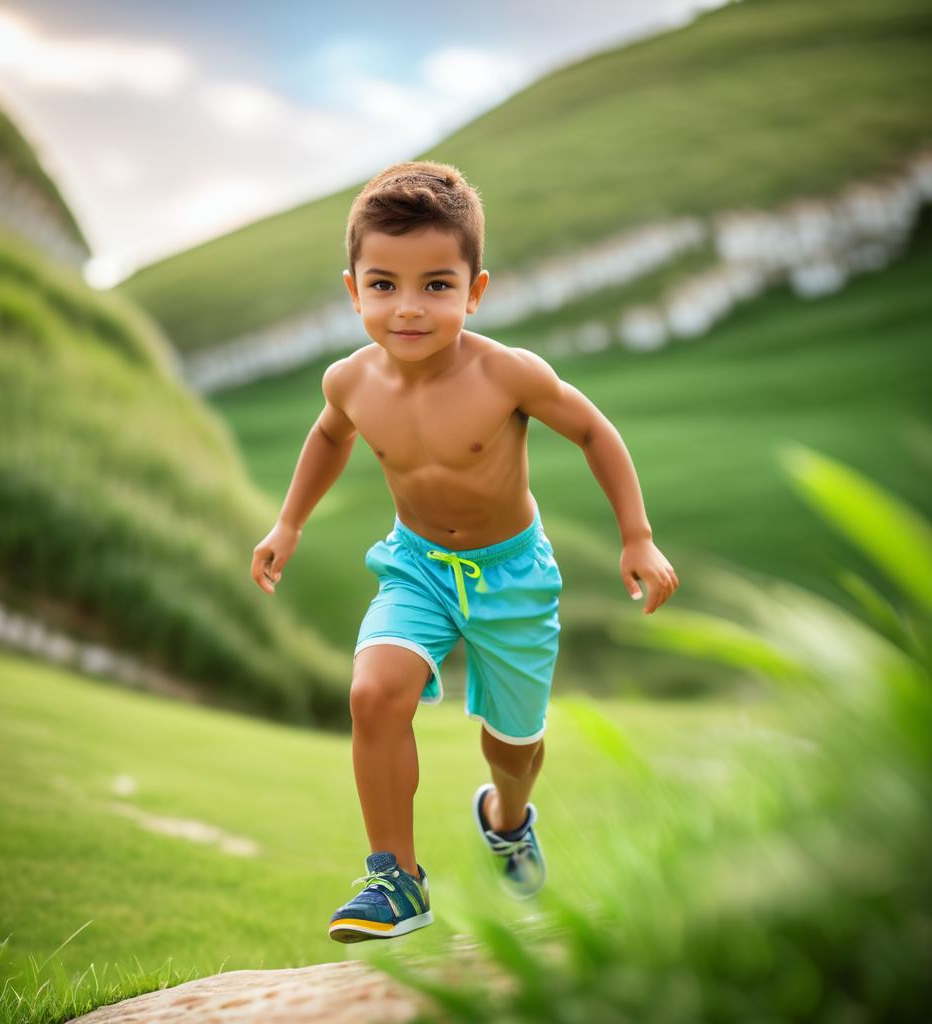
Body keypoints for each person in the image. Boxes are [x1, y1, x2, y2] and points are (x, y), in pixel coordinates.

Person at [250, 160, 679, 943]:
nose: (408, 308)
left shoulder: (507, 373)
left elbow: (593, 430)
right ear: (353, 290)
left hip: (513, 575)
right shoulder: (348, 381)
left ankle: (507, 820)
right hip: (414, 566)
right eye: (383, 285)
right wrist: (288, 524)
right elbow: (326, 438)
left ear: (475, 291)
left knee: (512, 746)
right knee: (374, 693)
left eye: (437, 286)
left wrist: (637, 536)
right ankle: (395, 879)